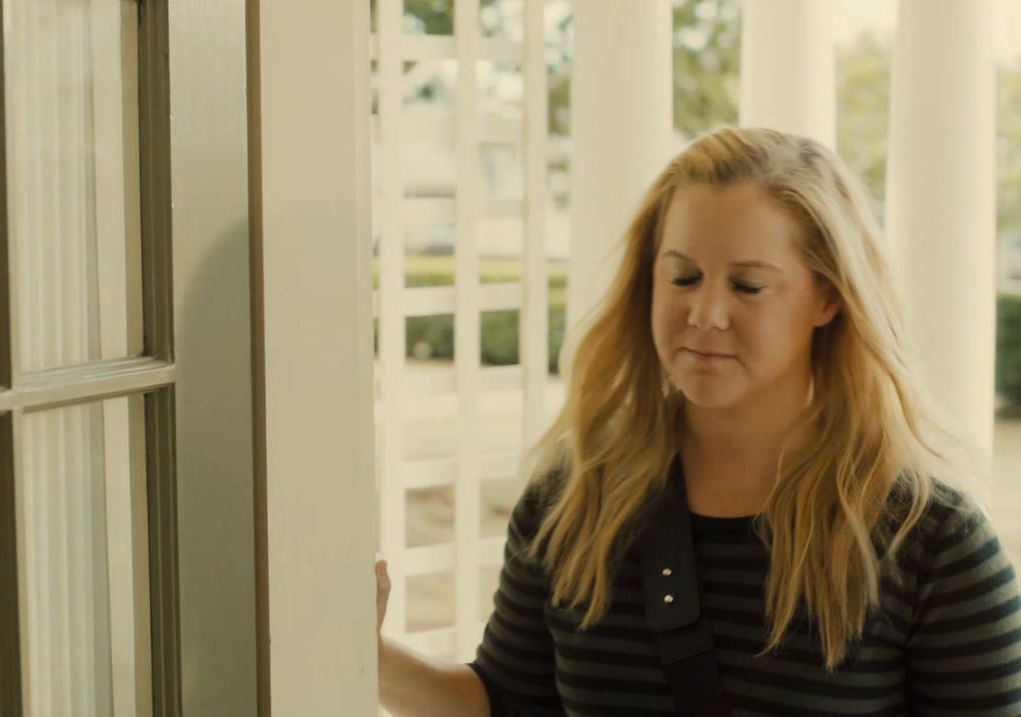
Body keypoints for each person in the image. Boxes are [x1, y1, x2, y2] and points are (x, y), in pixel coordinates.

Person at [375, 126, 1021, 716]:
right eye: (682, 277)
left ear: (827, 297)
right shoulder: (570, 501)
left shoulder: (930, 542)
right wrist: (360, 646)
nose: (705, 313)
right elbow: (503, 703)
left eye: (748, 286)